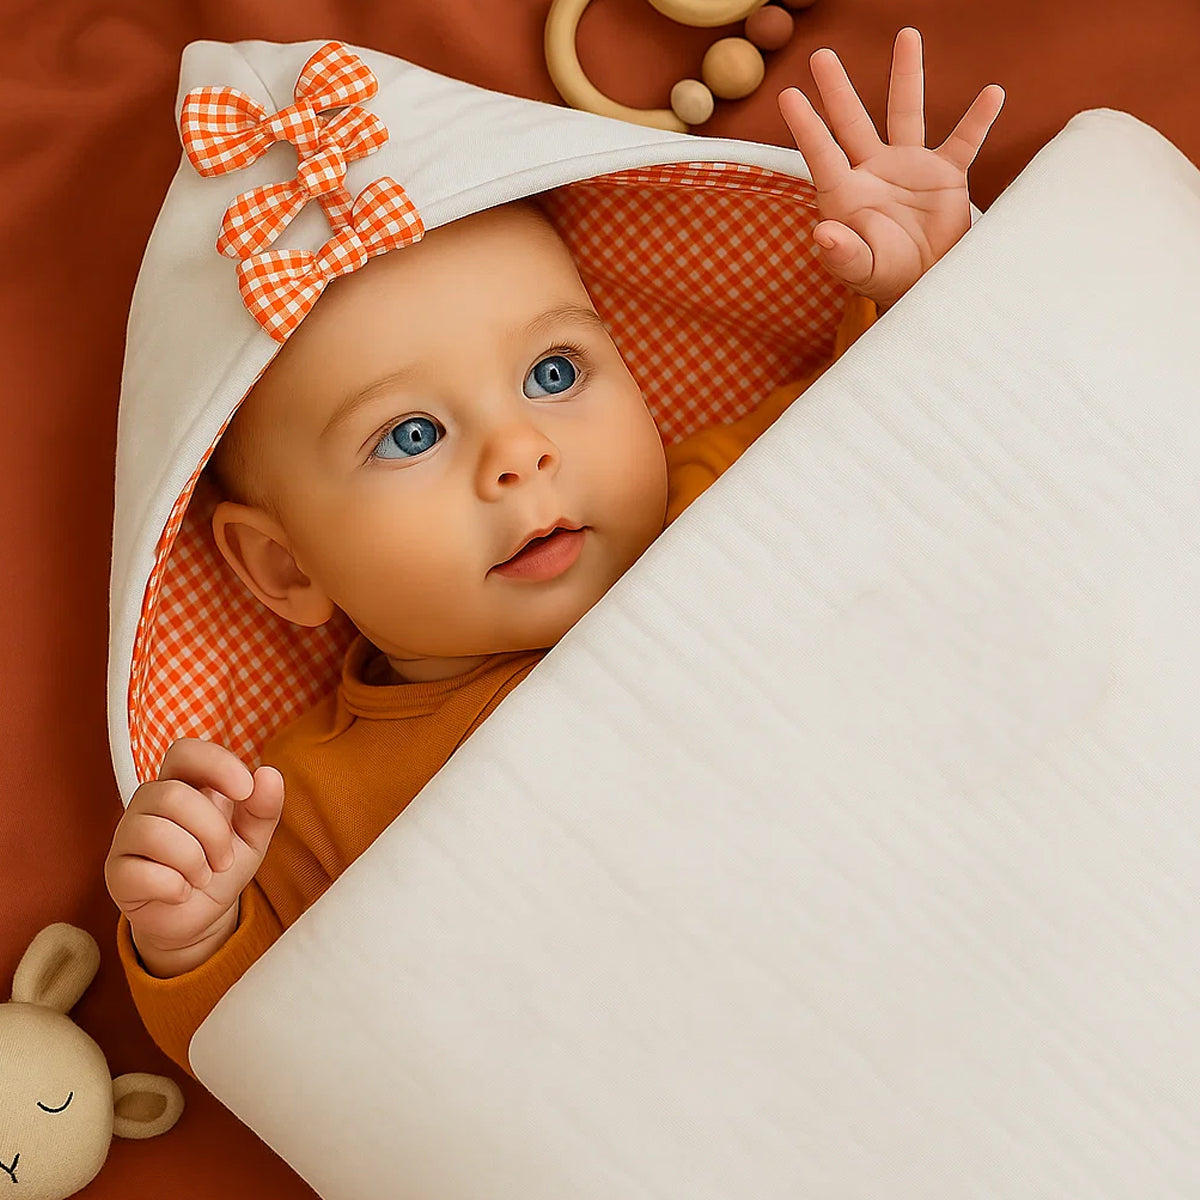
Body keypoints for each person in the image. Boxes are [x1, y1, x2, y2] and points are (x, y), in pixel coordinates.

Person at [104, 28, 1004, 1078]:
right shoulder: (309, 809)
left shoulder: (721, 498)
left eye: (554, 375)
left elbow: (915, 434)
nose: (519, 454)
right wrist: (193, 933)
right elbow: (268, 1052)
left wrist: (914, 289)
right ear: (285, 569)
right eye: (411, 435)